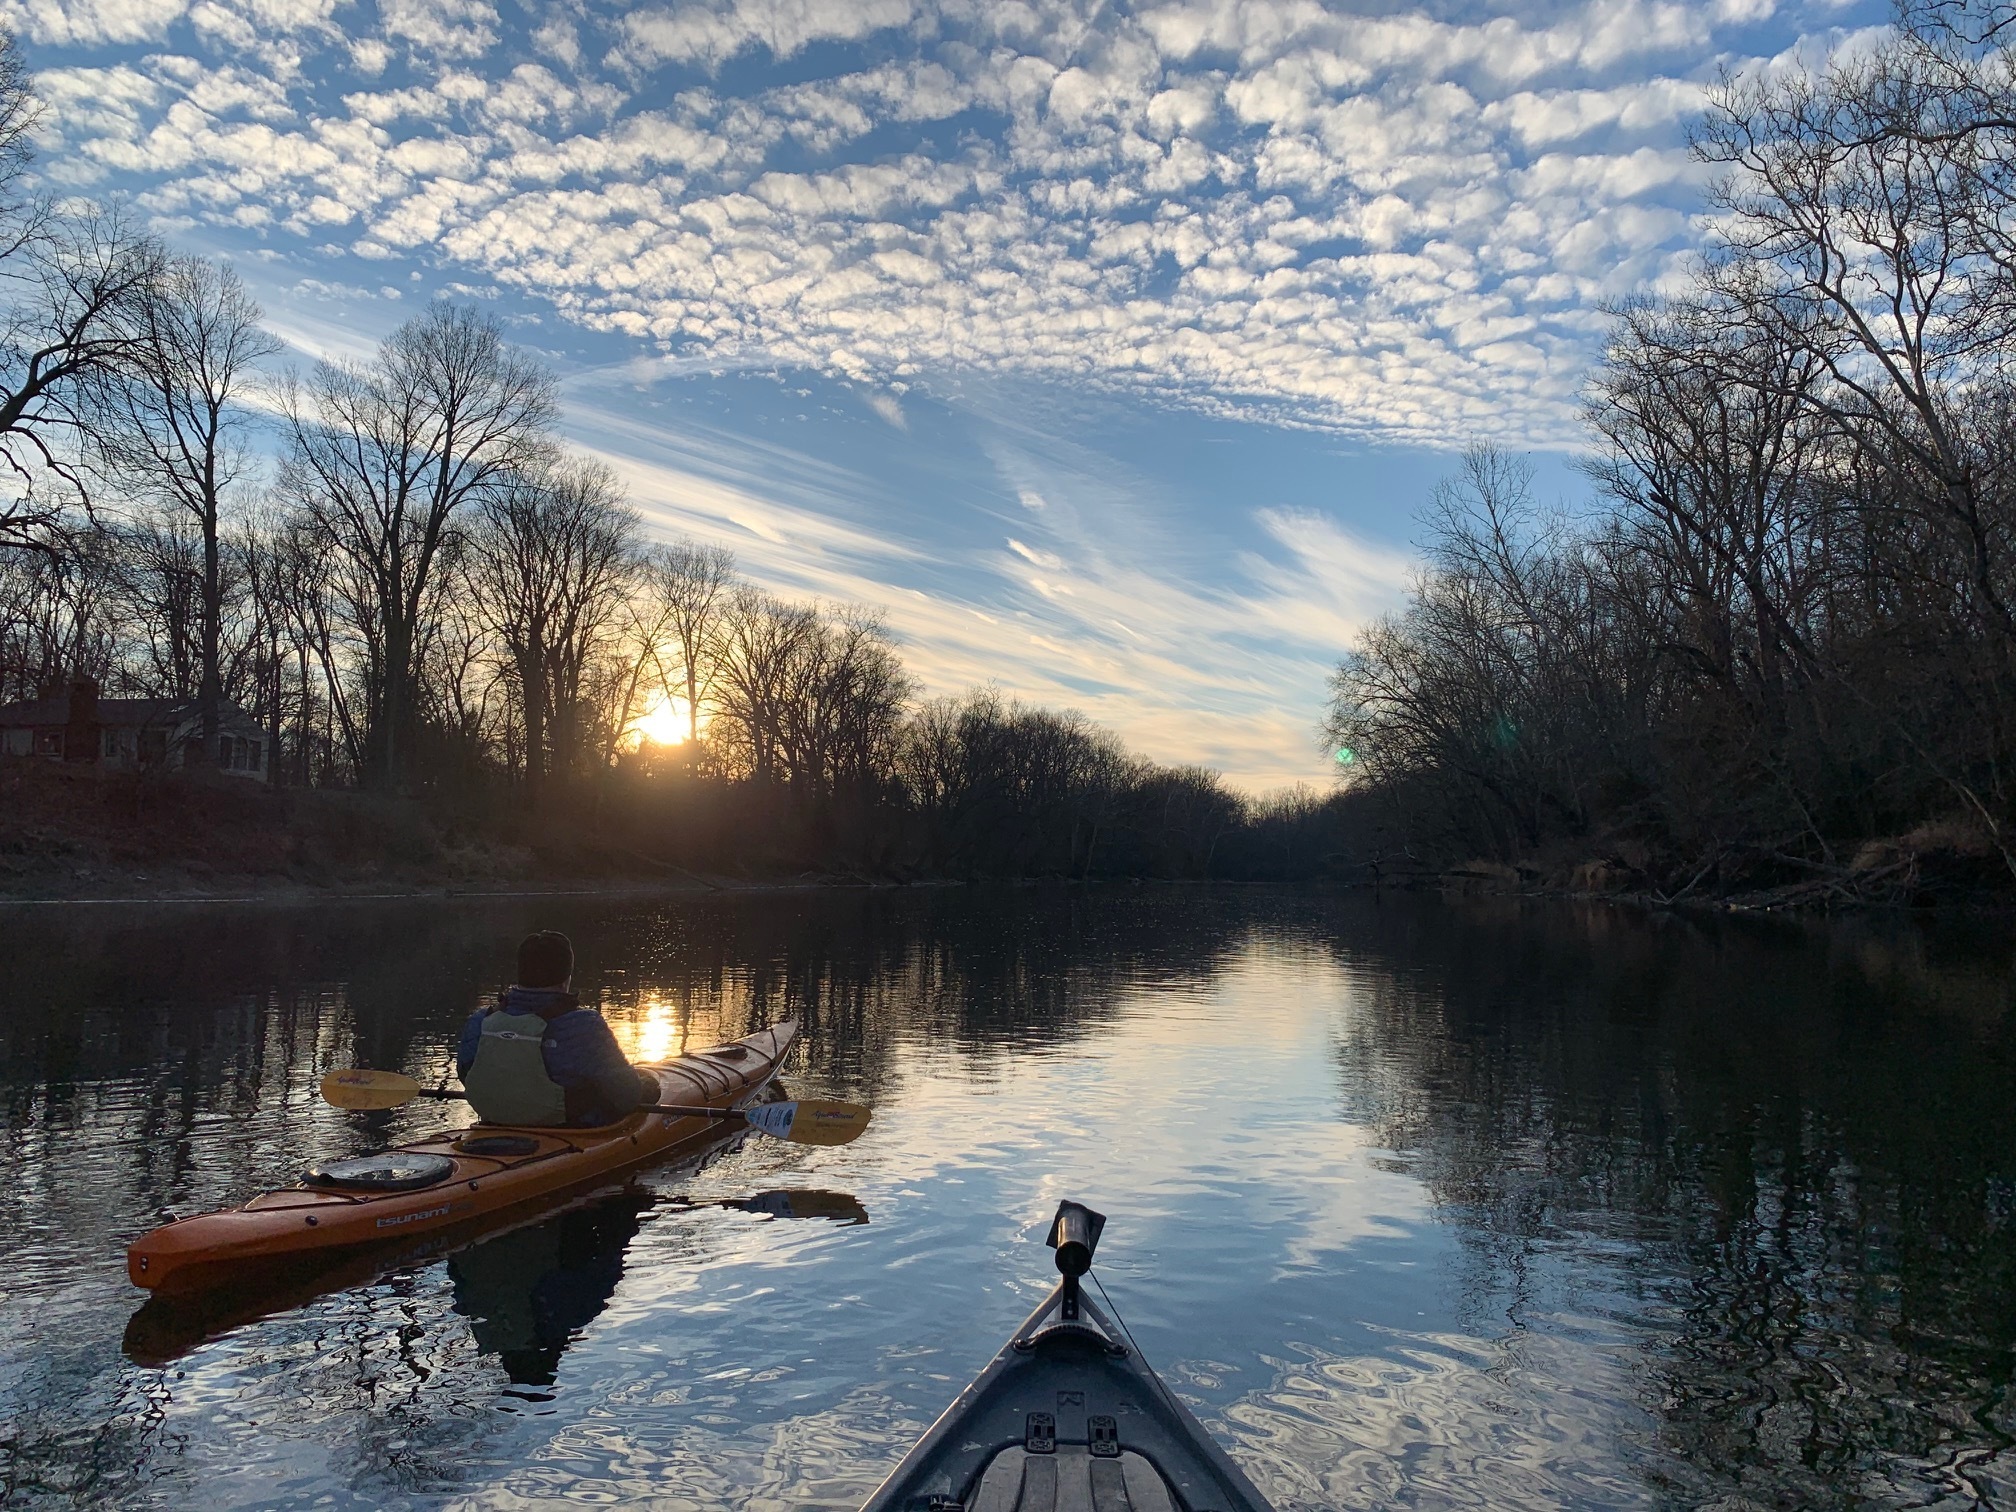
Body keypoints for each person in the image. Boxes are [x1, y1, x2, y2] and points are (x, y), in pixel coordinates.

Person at [457, 931, 660, 1127]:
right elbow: (627, 1096)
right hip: (571, 1128)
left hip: (495, 1121)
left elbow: (467, 1075)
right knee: (648, 1086)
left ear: (520, 972)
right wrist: (647, 1086)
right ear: (566, 978)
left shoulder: (481, 1020)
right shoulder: (584, 1025)